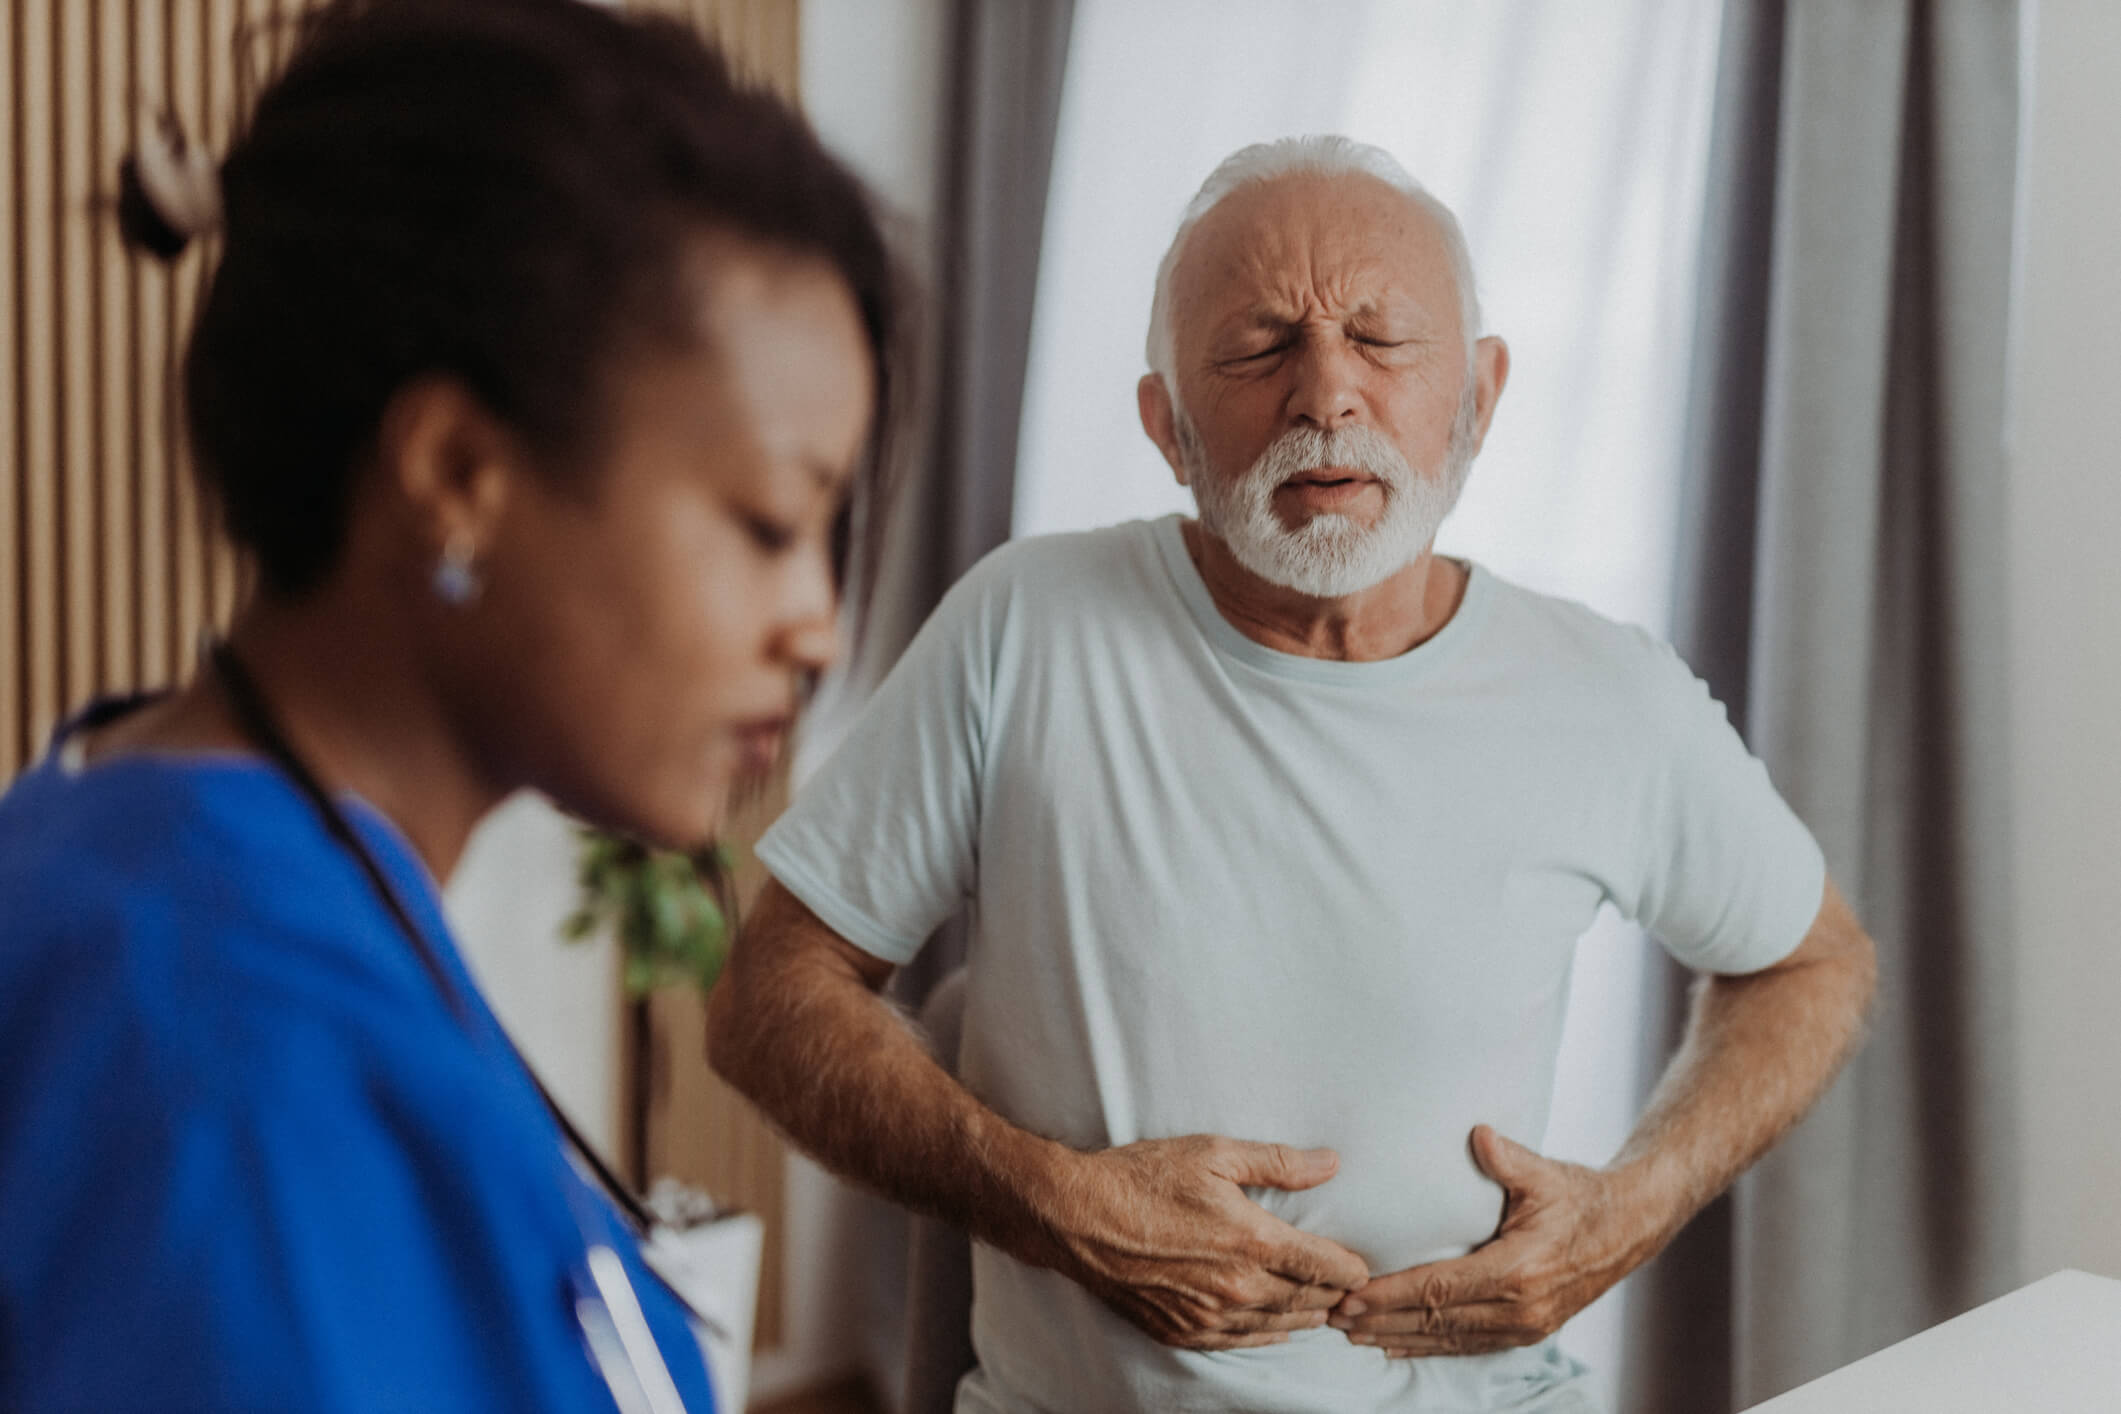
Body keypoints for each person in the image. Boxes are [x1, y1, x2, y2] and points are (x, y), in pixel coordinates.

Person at [707, 137, 1878, 1413]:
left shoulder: (1611, 694)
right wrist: (1056, 1205)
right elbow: (773, 994)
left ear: (1478, 399)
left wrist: (1627, 1214)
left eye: (1382, 340)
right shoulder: (1024, 626)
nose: (1327, 395)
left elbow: (1814, 961)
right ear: (1165, 424)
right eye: (1261, 347)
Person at [0, 1, 902, 1409]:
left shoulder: (224, 872)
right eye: (769, 522)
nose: (818, 623)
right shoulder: (225, 1052)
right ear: (457, 471)